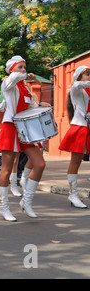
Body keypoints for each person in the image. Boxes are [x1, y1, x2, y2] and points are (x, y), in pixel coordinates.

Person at [0, 56, 50, 221]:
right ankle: (3, 207)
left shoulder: (26, 88)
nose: (23, 70)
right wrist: (26, 75)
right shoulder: (7, 84)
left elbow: (29, 108)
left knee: (40, 164)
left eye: (24, 67)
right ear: (11, 69)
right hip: (10, 128)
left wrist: (40, 105)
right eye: (20, 67)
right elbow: (15, 77)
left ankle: (26, 202)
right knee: (6, 169)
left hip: (25, 130)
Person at [58, 66, 90, 209]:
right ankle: (73, 195)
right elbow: (77, 84)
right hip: (80, 128)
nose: (89, 77)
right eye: (87, 74)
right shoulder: (76, 88)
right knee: (75, 162)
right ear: (79, 77)